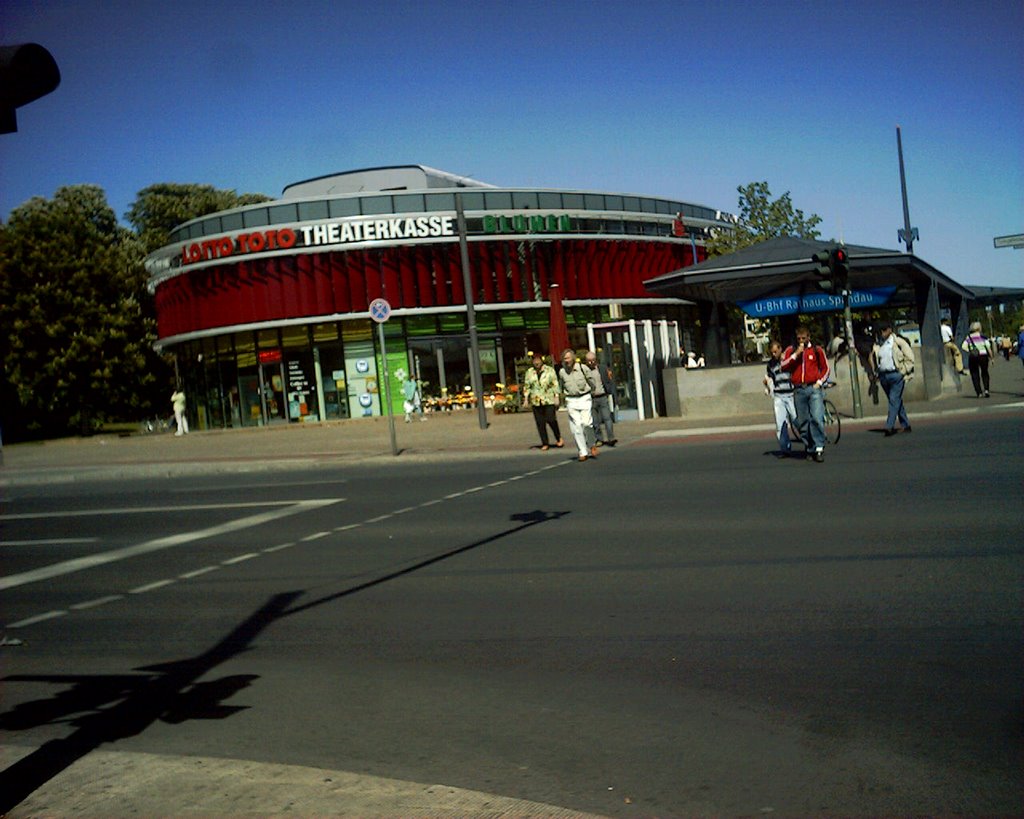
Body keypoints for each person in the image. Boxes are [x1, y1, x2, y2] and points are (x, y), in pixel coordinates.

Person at [781, 325, 830, 462]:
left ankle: (819, 447)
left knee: (816, 417)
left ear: (809, 337)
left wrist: (819, 382)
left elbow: (825, 368)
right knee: (803, 422)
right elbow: (783, 366)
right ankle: (810, 446)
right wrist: (796, 354)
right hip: (798, 389)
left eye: (804, 338)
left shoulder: (816, 350)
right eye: (799, 339)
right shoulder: (791, 350)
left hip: (813, 388)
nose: (801, 341)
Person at [869, 322, 914, 437]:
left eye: (884, 330)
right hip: (884, 376)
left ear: (890, 330)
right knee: (896, 401)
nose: (882, 333)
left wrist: (902, 372)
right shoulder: (878, 345)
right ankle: (906, 424)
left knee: (893, 400)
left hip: (896, 375)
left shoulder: (898, 342)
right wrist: (876, 373)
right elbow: (875, 359)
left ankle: (889, 426)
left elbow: (910, 358)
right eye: (880, 331)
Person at [558, 348, 598, 462]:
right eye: (564, 359)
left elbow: (591, 381)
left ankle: (592, 444)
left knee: (586, 423)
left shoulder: (582, 368)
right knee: (576, 427)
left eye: (568, 358)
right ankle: (582, 451)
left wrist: (593, 391)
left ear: (573, 358)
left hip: (584, 397)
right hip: (571, 400)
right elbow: (561, 386)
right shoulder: (562, 372)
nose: (567, 361)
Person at [521, 354, 563, 451]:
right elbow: (527, 386)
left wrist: (556, 396)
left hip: (548, 399)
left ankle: (558, 437)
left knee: (551, 419)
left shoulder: (549, 370)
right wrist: (526, 399)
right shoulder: (529, 372)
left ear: (542, 360)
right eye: (534, 361)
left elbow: (555, 384)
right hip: (536, 400)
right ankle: (545, 443)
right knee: (540, 423)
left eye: (538, 360)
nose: (536, 363)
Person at [763, 340, 797, 457]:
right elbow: (770, 379)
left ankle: (809, 444)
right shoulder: (770, 364)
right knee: (780, 424)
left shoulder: (787, 361)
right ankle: (785, 448)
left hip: (791, 394)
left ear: (780, 349)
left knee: (797, 420)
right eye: (772, 352)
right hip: (779, 396)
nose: (774, 354)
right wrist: (767, 386)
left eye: (776, 351)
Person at [583, 351, 616, 446]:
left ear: (596, 360)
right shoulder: (584, 371)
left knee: (607, 418)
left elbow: (609, 380)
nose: (591, 362)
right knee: (595, 421)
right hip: (591, 398)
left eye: (592, 360)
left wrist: (609, 391)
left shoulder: (602, 368)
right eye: (589, 361)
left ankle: (611, 438)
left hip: (602, 396)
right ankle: (599, 439)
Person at [961, 321, 994, 397]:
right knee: (984, 372)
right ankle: (986, 390)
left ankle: (979, 392)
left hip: (973, 356)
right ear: (979, 328)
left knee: (975, 374)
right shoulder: (983, 337)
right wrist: (992, 358)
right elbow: (988, 348)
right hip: (983, 356)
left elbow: (963, 347)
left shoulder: (968, 337)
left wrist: (971, 351)